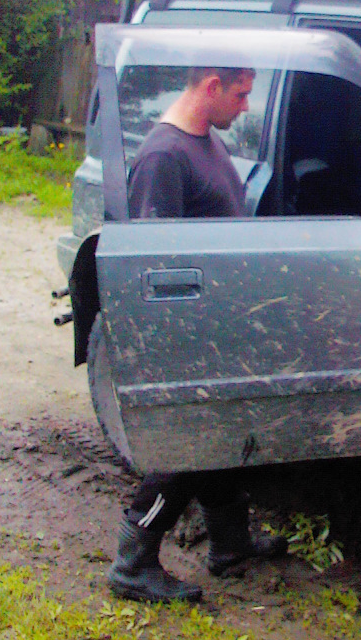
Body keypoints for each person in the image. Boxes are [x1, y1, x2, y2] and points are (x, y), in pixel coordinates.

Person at [107, 64, 286, 603]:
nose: (246, 106)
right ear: (211, 86)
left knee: (224, 434)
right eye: (240, 93)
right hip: (186, 334)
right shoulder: (164, 157)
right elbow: (152, 268)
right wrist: (177, 350)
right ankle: (132, 562)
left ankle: (230, 546)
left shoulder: (205, 142)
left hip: (218, 325)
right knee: (187, 447)